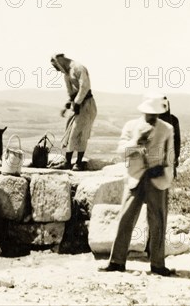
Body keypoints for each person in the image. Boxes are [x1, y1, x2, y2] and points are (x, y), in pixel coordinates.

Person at [99, 96, 175, 276]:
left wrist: (164, 172)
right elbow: (121, 152)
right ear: (144, 111)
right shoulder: (131, 126)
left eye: (155, 114)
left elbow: (170, 155)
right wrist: (136, 142)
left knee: (158, 221)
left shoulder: (167, 129)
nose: (152, 117)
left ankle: (158, 264)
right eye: (150, 113)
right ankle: (117, 261)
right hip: (135, 178)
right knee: (125, 219)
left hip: (156, 179)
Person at [49, 53, 97, 171]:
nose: (56, 70)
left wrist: (77, 102)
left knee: (81, 132)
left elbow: (84, 87)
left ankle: (78, 163)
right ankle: (67, 162)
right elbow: (71, 92)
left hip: (87, 105)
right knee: (70, 132)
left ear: (60, 61)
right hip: (77, 105)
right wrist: (68, 104)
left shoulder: (78, 68)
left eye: (56, 66)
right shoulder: (67, 74)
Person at [159, 96, 181, 178]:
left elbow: (177, 140)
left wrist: (176, 156)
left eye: (165, 105)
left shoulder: (174, 120)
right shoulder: (153, 120)